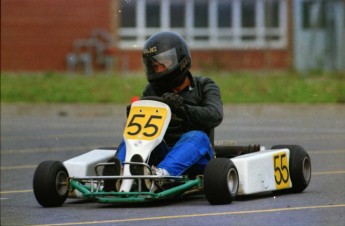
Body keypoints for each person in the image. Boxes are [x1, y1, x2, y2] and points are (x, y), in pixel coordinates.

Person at [116, 31, 223, 177]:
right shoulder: (153, 90)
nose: (159, 69)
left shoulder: (204, 86)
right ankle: (120, 171)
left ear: (181, 60)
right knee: (134, 138)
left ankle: (162, 174)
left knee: (197, 136)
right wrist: (136, 115)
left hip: (197, 156)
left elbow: (215, 115)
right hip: (162, 152)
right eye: (155, 66)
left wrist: (183, 110)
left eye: (163, 63)